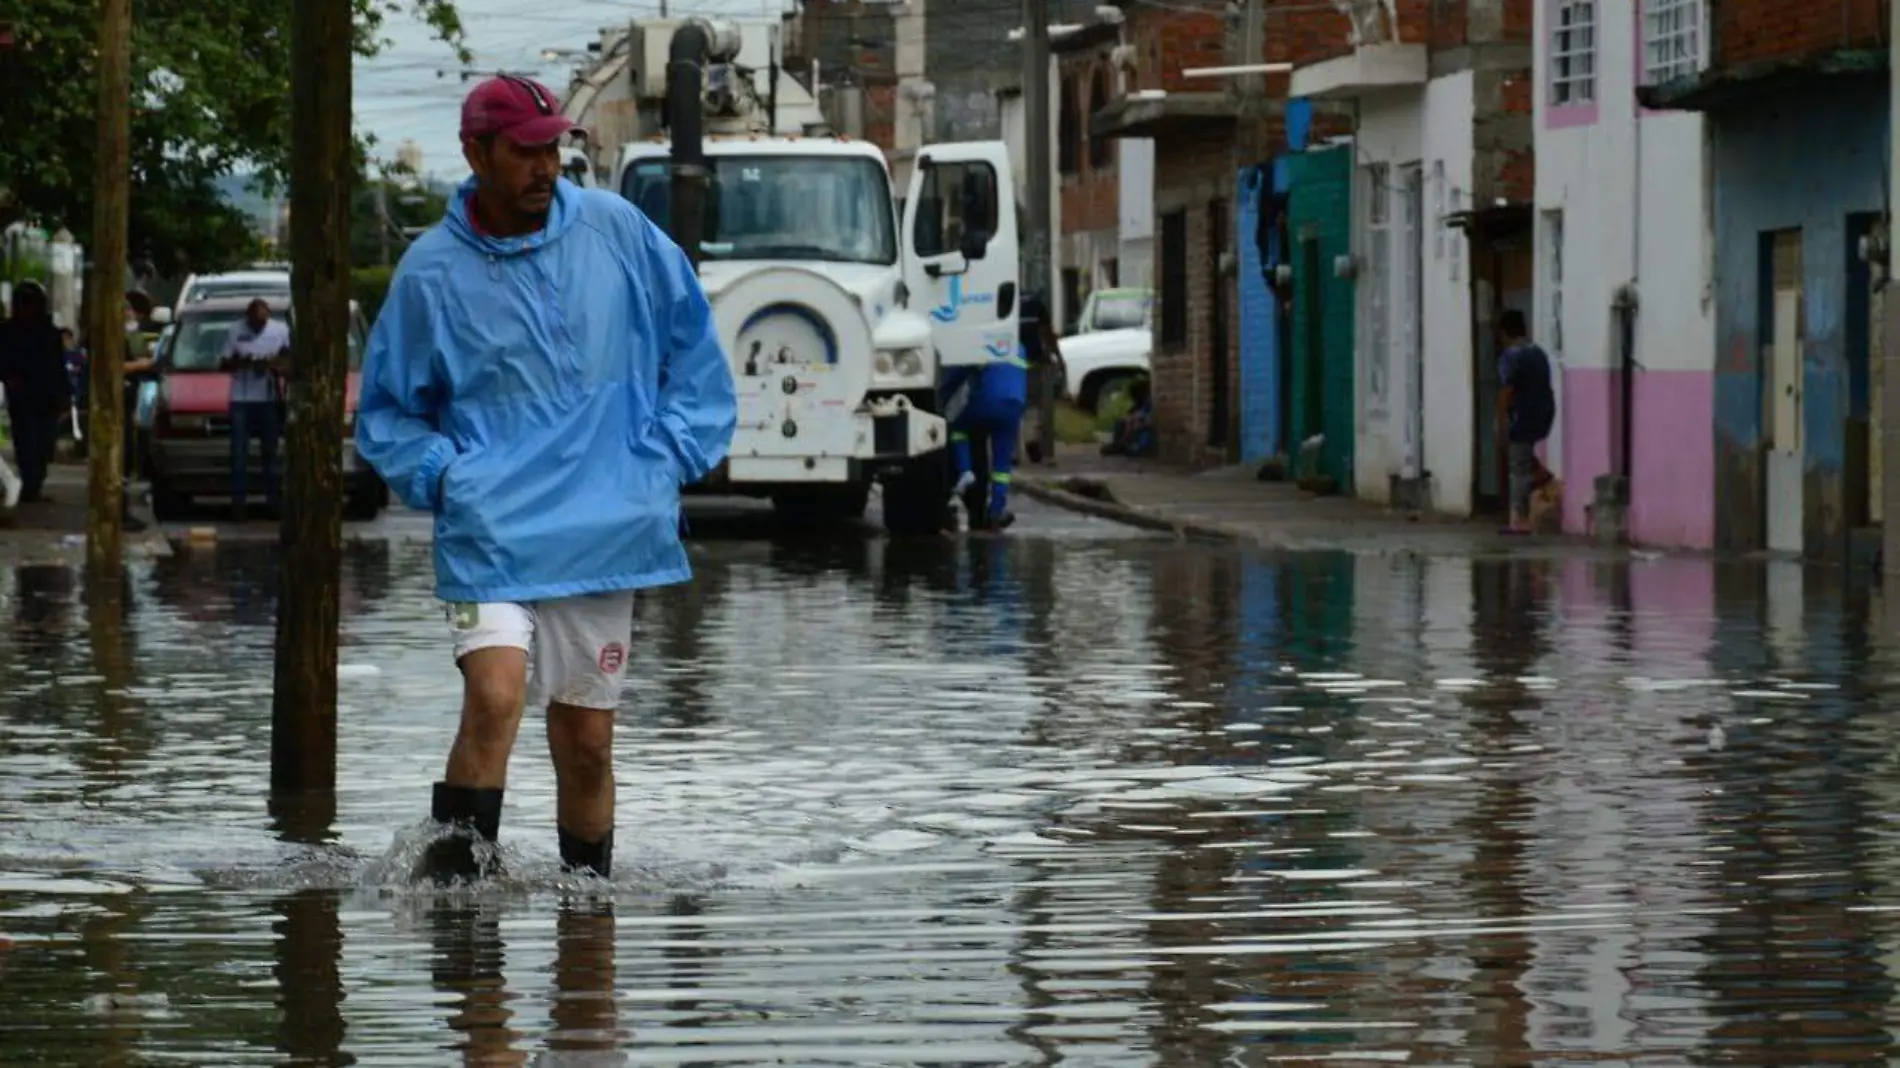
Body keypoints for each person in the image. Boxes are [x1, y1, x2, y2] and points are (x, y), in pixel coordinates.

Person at [354, 74, 736, 884]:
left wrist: (666, 454)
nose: (545, 166)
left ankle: (588, 931)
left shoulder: (617, 231)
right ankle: (458, 920)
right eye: (525, 151)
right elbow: (387, 410)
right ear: (475, 152)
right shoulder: (430, 274)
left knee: (587, 743)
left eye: (554, 147)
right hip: (490, 528)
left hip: (604, 528)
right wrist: (446, 474)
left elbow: (694, 346)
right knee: (495, 698)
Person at [0, 282, 71, 504]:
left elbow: (59, 367)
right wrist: (10, 378)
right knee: (26, 443)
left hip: (46, 396)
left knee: (43, 444)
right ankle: (29, 486)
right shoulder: (8, 332)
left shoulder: (48, 333)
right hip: (22, 397)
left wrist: (64, 395)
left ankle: (35, 485)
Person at [220, 298, 288, 519]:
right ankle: (239, 505)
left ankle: (273, 503)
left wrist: (273, 364)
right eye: (254, 323)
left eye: (262, 322)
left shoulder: (280, 330)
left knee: (271, 453)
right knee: (239, 455)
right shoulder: (235, 330)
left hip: (268, 398)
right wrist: (244, 362)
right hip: (241, 398)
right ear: (247, 318)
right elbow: (223, 363)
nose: (258, 326)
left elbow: (289, 361)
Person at [1495, 308, 1556, 535]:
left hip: (1521, 416)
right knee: (1524, 456)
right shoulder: (1538, 352)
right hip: (1543, 414)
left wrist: (1501, 423)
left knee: (1517, 469)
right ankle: (1540, 473)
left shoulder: (1511, 356)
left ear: (1503, 332)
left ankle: (1518, 520)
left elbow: (1506, 390)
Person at [1101, 376, 1155, 457]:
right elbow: (1133, 412)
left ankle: (1123, 445)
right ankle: (1119, 444)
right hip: (1137, 421)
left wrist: (1135, 418)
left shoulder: (1150, 402)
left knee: (1131, 423)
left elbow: (1146, 415)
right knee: (1122, 422)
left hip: (1143, 423)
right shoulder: (1143, 403)